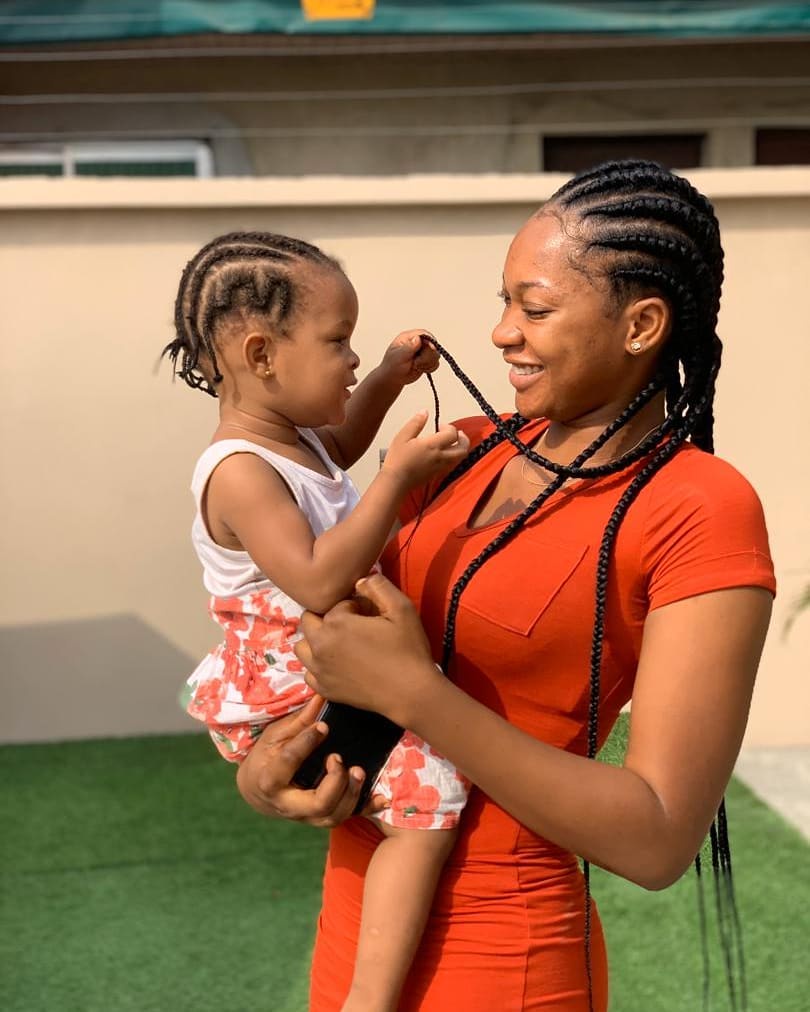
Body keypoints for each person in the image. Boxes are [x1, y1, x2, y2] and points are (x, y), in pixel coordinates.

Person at [234, 162, 776, 1012]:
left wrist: (415, 693)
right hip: (356, 921)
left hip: (506, 957)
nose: (500, 333)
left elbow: (659, 837)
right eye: (503, 303)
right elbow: (336, 643)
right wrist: (276, 770)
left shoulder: (699, 507)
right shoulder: (458, 452)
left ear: (641, 325)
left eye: (535, 309)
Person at [161, 231, 472, 1012]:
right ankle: (369, 998)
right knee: (430, 802)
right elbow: (316, 579)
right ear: (263, 355)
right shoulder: (239, 471)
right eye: (339, 342)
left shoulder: (293, 440)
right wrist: (396, 480)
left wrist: (391, 377)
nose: (352, 359)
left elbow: (341, 444)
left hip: (321, 666)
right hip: (291, 694)